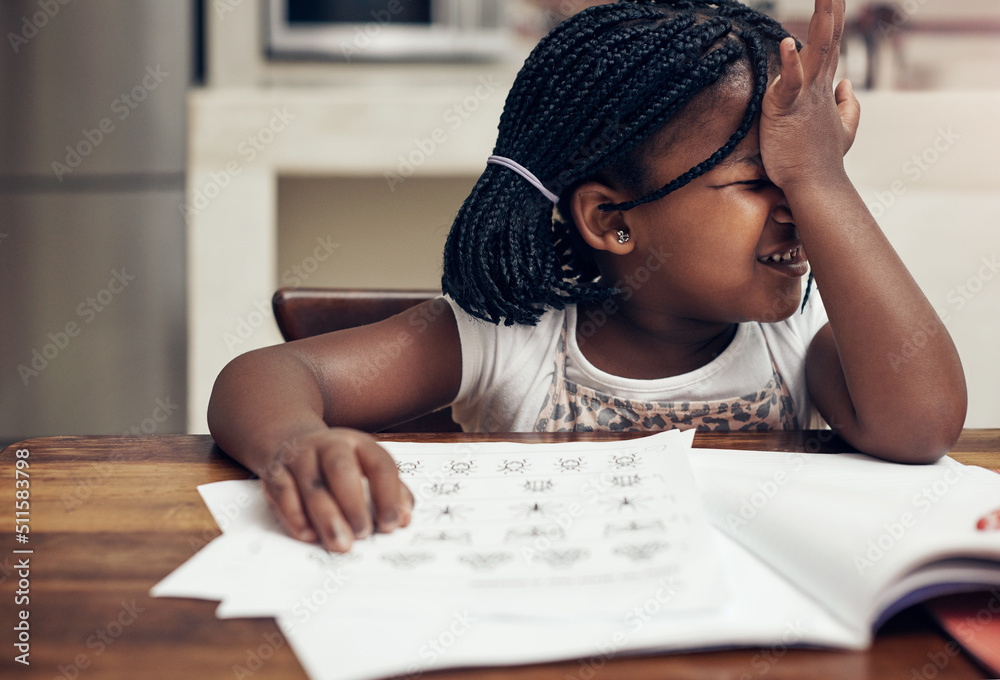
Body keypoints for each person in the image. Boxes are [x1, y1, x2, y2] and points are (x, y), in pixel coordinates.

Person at [207, 0, 967, 553]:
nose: (796, 210)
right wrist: (296, 443)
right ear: (612, 220)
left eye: (801, 183)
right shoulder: (511, 340)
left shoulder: (794, 340)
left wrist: (825, 182)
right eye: (759, 180)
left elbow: (923, 423)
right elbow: (266, 375)